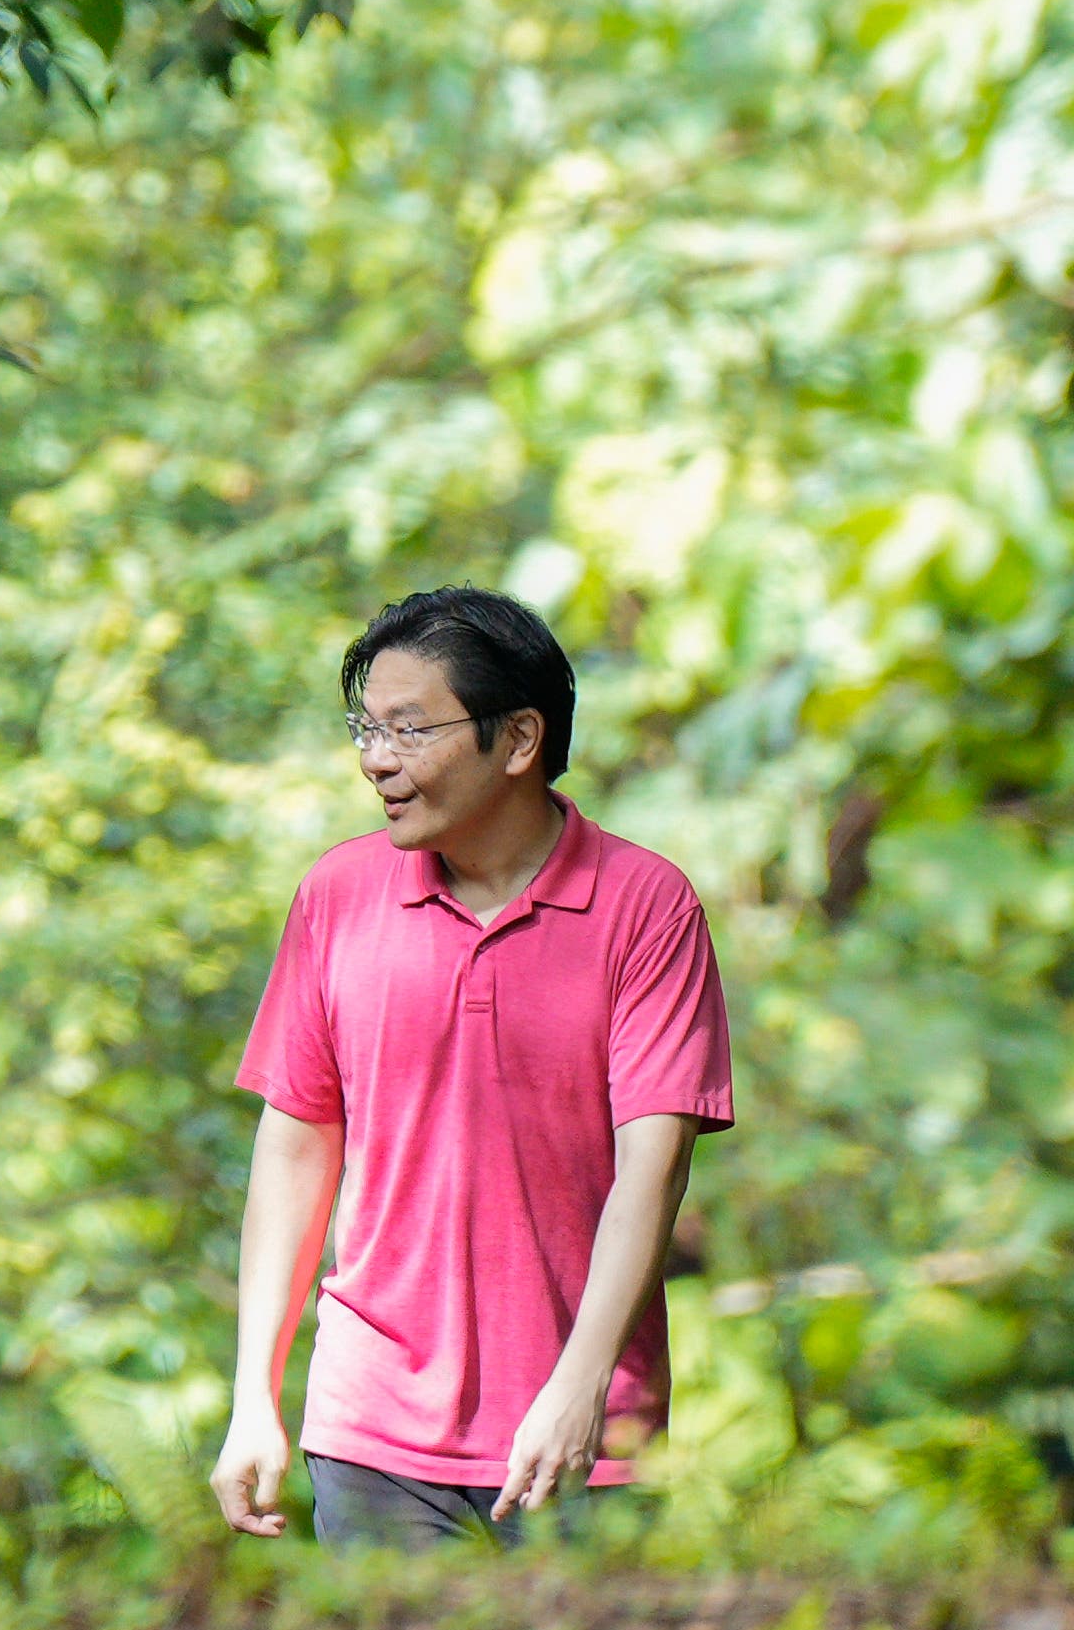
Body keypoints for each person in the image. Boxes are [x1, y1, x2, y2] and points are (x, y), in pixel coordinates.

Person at [213, 587, 733, 1551]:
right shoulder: (338, 896)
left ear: (521, 739)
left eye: (410, 730)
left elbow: (652, 1171)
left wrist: (577, 1391)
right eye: (366, 726)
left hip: (585, 1437)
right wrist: (255, 1398)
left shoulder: (645, 906)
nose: (376, 758)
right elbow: (294, 1155)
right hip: (370, 1432)